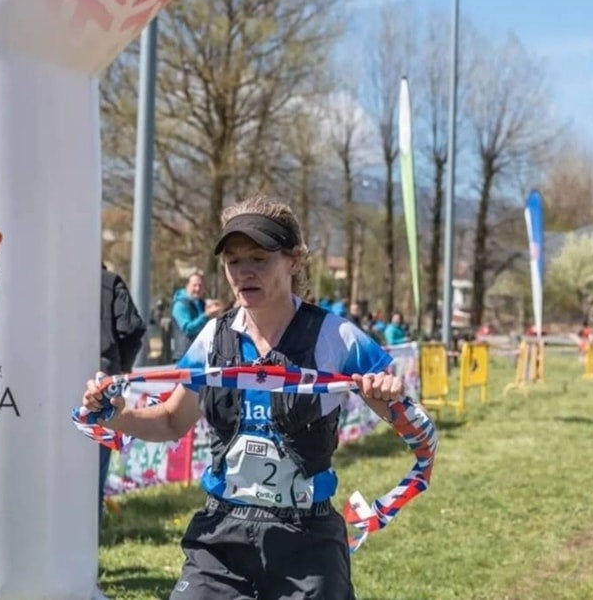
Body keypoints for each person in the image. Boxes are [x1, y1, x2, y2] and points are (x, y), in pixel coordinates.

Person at [82, 195, 418, 599]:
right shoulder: (213, 337)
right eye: (234, 261)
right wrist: (115, 415)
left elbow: (406, 416)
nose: (244, 272)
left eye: (259, 258)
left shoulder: (336, 336)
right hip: (222, 533)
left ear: (293, 260)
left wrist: (388, 396)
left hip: (306, 538)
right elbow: (173, 420)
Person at [98, 265, 146, 523]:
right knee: (95, 464)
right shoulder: (109, 282)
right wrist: (123, 366)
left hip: (54, 380)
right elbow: (133, 328)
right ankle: (90, 534)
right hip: (102, 378)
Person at [170, 270, 221, 361]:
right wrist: (206, 315)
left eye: (200, 286)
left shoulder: (201, 303)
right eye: (194, 285)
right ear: (187, 286)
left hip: (201, 356)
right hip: (184, 357)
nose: (197, 289)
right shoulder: (180, 305)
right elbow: (188, 329)